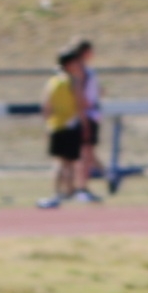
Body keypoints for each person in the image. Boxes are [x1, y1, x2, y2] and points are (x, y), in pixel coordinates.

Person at [37, 46, 95, 209]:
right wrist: (85, 125)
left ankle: (58, 192)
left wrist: (47, 125)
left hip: (56, 126)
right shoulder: (73, 81)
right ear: (69, 64)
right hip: (70, 125)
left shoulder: (52, 82)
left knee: (60, 162)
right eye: (76, 62)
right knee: (69, 162)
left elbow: (46, 106)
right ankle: (68, 192)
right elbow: (80, 104)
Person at [74, 38, 104, 196]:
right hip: (85, 114)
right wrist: (85, 107)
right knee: (85, 153)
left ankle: (86, 184)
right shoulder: (80, 69)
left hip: (91, 113)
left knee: (88, 152)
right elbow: (79, 91)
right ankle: (82, 187)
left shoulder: (86, 68)